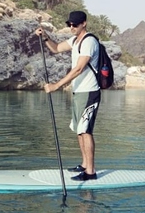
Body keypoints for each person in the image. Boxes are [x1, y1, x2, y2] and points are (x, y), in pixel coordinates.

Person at [35, 10, 101, 181]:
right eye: (69, 24)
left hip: (89, 92)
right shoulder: (74, 40)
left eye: (75, 24)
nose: (72, 27)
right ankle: (85, 164)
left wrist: (56, 85)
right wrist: (45, 36)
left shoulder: (90, 42)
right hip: (78, 92)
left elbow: (78, 69)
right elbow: (56, 48)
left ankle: (91, 172)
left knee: (86, 131)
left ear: (84, 23)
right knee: (79, 130)